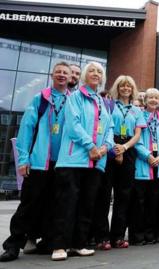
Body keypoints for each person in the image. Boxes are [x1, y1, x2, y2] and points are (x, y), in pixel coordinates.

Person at [0, 62, 72, 262]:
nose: (61, 75)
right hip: (39, 162)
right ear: (52, 75)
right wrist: (23, 160)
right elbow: (26, 130)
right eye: (58, 72)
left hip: (62, 164)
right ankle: (13, 245)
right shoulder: (40, 99)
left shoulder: (73, 101)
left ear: (70, 78)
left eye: (65, 73)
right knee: (28, 205)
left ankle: (47, 242)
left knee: (55, 205)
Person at [51, 61, 114, 261]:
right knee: (67, 204)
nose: (96, 74)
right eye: (92, 71)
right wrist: (91, 147)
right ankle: (60, 246)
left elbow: (109, 128)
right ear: (85, 75)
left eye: (99, 71)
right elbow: (72, 124)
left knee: (87, 204)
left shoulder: (102, 102)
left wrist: (105, 147)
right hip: (73, 160)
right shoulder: (75, 97)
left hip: (96, 163)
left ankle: (79, 244)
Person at [96, 75, 146, 249]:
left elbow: (138, 134)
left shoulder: (137, 110)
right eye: (122, 86)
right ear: (117, 88)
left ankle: (117, 236)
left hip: (128, 148)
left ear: (133, 89)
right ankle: (102, 237)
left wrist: (124, 148)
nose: (126, 89)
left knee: (123, 195)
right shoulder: (109, 104)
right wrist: (115, 147)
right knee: (104, 192)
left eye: (129, 86)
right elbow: (106, 127)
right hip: (110, 145)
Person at [132, 88, 159, 244]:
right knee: (140, 203)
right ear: (145, 100)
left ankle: (152, 233)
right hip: (143, 164)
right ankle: (138, 235)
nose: (154, 100)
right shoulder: (139, 116)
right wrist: (148, 156)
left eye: (156, 98)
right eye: (151, 97)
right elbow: (136, 140)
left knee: (155, 202)